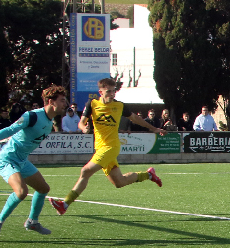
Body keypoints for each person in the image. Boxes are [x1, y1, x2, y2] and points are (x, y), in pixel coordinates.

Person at [0, 85, 68, 240]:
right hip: (7, 159)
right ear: (51, 102)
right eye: (62, 100)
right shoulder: (32, 116)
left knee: (43, 188)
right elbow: (10, 130)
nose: (66, 103)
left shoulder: (50, 122)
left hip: (22, 161)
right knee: (21, 192)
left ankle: (32, 221)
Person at [48, 78, 165, 216]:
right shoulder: (92, 104)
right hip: (100, 148)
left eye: (114, 91)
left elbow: (136, 119)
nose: (112, 94)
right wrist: (84, 128)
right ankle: (149, 175)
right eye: (108, 91)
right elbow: (81, 123)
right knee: (119, 182)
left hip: (111, 146)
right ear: (100, 92)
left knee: (85, 171)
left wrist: (154, 129)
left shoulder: (120, 106)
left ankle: (64, 204)